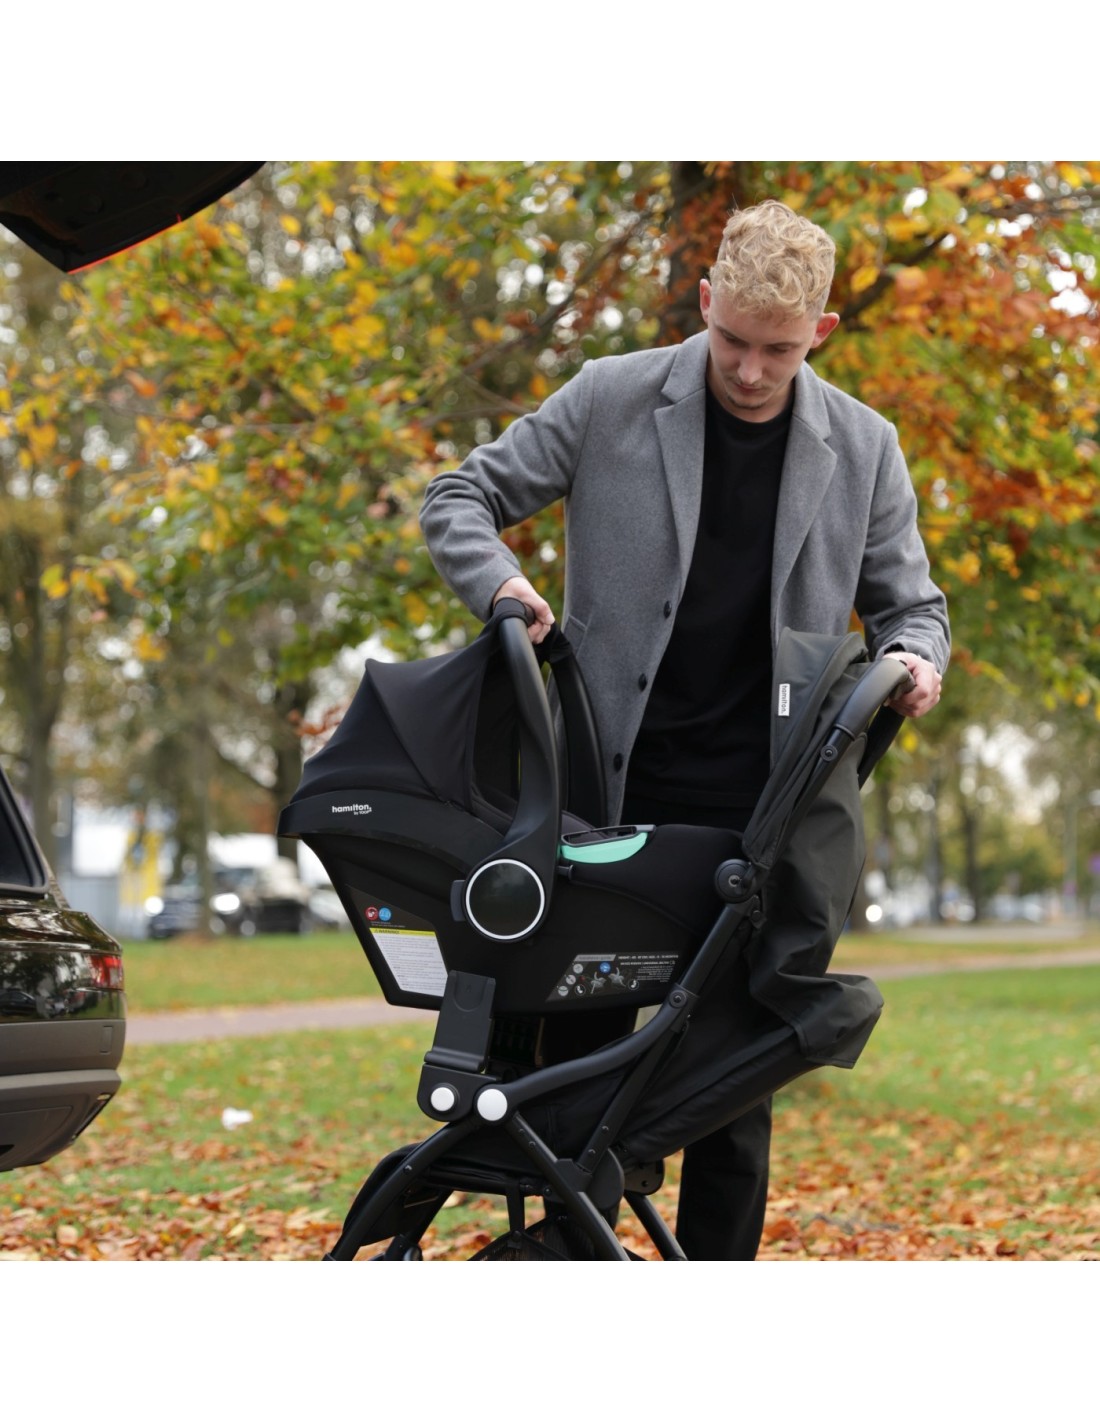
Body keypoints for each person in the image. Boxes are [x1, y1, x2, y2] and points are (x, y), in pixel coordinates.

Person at [419, 198, 949, 1260]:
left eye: (778, 351)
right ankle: (566, 1265)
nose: (749, 371)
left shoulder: (864, 447)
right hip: (603, 807)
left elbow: (913, 606)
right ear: (705, 301)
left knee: (729, 1094)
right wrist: (502, 587)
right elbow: (458, 496)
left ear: (819, 334)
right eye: (732, 340)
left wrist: (914, 660)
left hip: (759, 820)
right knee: (577, 1066)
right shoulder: (609, 395)